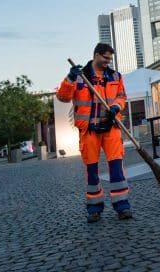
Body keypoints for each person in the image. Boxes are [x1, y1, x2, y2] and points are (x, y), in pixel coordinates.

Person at [57, 43, 131, 223]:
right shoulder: (80, 77)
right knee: (92, 171)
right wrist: (70, 78)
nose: (108, 62)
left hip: (111, 128)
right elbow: (62, 97)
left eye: (110, 59)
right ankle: (94, 209)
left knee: (116, 169)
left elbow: (122, 97)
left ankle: (122, 207)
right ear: (96, 55)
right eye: (105, 58)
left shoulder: (115, 76)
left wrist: (115, 106)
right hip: (89, 131)